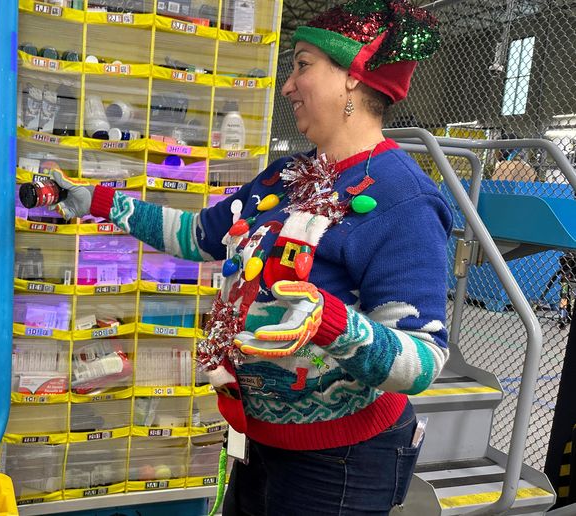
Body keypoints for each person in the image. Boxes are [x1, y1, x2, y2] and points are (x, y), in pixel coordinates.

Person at [48, 0, 450, 513]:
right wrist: (99, 202)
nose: (287, 86)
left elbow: (421, 360)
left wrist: (331, 323)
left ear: (353, 77)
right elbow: (197, 235)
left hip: (343, 461)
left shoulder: (405, 199)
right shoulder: (285, 176)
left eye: (302, 65)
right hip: (258, 439)